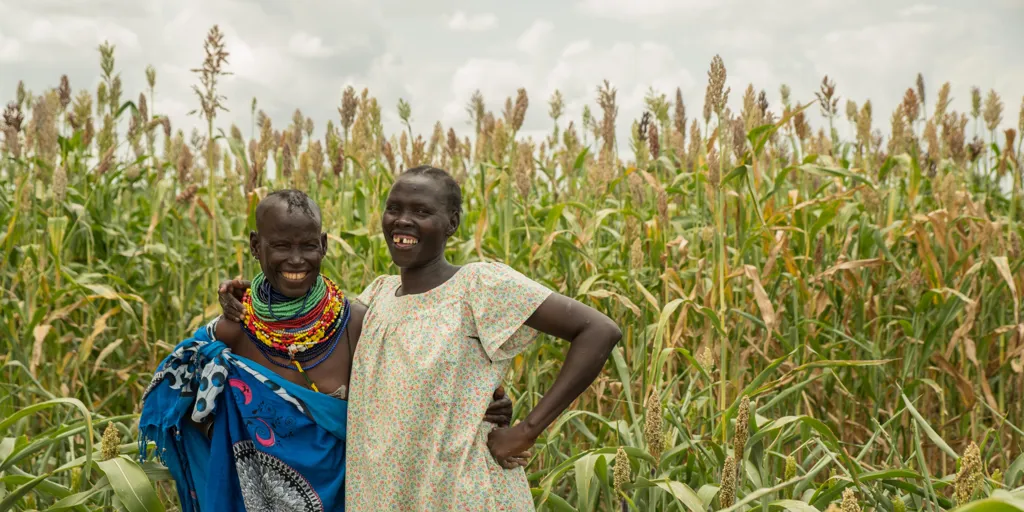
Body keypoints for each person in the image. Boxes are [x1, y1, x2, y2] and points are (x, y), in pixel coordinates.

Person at [139, 189, 513, 512]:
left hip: (347, 500)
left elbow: (415, 385)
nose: (296, 260)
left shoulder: (356, 324)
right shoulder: (234, 330)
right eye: (281, 246)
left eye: (308, 246)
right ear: (255, 246)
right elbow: (177, 397)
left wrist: (481, 403)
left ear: (324, 245)